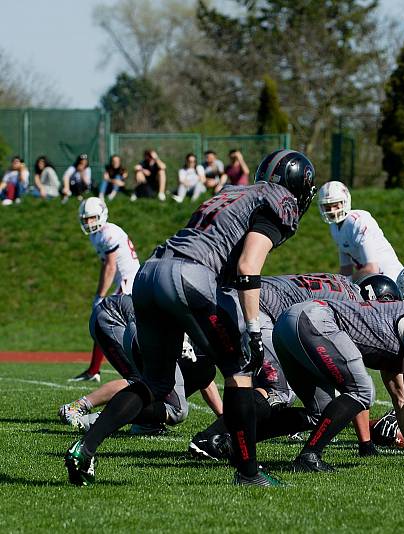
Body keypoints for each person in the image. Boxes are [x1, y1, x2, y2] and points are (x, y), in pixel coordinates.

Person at [64, 149, 316, 488]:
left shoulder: (231, 192)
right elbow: (247, 266)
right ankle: (249, 473)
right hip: (189, 277)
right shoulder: (279, 200)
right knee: (240, 371)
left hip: (151, 274)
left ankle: (85, 448)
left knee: (156, 384)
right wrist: (254, 327)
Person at [188, 273, 398, 462]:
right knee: (279, 391)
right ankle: (211, 438)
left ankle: (230, 441)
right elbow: (352, 382)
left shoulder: (341, 282)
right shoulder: (355, 308)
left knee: (322, 411)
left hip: (232, 300)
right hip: (250, 309)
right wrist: (365, 443)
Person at [272, 282, 404, 472]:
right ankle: (309, 456)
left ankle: (245, 441)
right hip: (315, 321)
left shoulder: (402, 323)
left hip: (289, 321)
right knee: (362, 392)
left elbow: (402, 396)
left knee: (321, 413)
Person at [59, 293, 222, 433]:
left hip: (133, 321)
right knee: (139, 379)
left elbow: (205, 377)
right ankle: (77, 407)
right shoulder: (195, 324)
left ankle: (144, 422)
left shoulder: (199, 329)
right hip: (111, 316)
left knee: (159, 381)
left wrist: (223, 419)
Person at [70, 198, 141, 382]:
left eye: (92, 218)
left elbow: (111, 267)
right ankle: (94, 370)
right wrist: (98, 294)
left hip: (129, 280)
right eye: (86, 219)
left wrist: (101, 296)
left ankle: (104, 369)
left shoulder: (109, 232)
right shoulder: (97, 235)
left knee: (106, 322)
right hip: (123, 281)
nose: (89, 223)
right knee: (103, 321)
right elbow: (105, 266)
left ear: (102, 215)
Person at [317, 180, 403, 281]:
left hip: (392, 279)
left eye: (335, 205)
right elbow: (346, 270)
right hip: (373, 282)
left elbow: (372, 269)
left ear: (345, 201)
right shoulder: (334, 227)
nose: (332, 210)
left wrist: (344, 282)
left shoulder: (358, 221)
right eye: (327, 206)